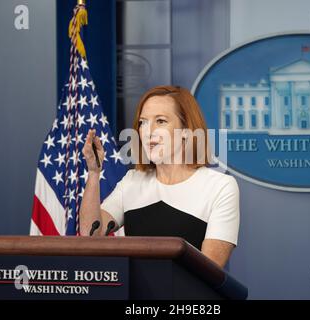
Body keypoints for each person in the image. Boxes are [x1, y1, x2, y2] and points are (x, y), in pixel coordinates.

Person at [79, 86, 240, 268]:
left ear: (186, 131)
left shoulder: (220, 186)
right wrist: (93, 173)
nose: (148, 131)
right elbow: (90, 233)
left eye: (161, 121)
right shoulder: (132, 180)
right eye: (143, 122)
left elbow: (211, 269)